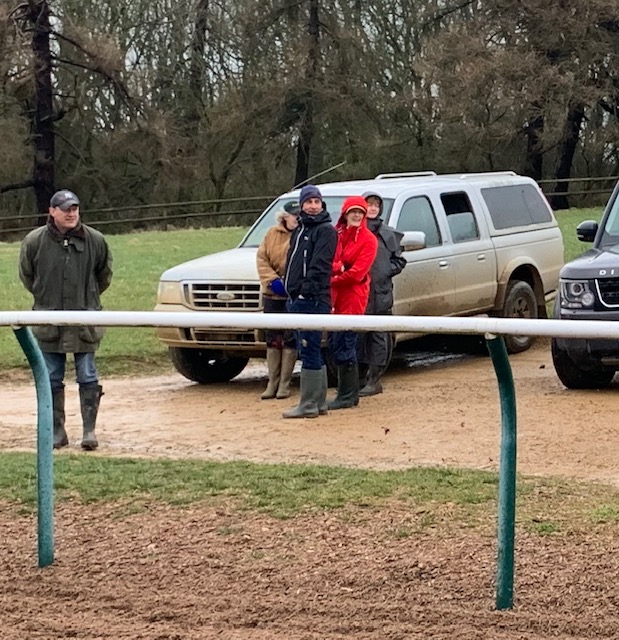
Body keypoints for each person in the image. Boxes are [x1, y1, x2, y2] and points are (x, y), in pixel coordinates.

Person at [19, 189, 113, 450]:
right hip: (49, 325)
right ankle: (56, 432)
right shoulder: (34, 241)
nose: (71, 213)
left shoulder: (96, 240)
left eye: (75, 208)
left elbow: (103, 276)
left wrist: (86, 300)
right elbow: (28, 276)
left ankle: (89, 432)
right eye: (65, 209)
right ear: (52, 211)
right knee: (50, 377)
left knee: (88, 375)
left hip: (85, 323)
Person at [282, 184, 337, 419]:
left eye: (316, 202)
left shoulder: (325, 231)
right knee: (310, 349)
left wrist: (305, 292)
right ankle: (318, 402)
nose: (313, 206)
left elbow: (320, 266)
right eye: (309, 202)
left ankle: (309, 404)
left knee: (309, 349)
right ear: (302, 204)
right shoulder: (300, 229)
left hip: (312, 299)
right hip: (296, 298)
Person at [327, 195, 378, 410]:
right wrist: (339, 268)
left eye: (360, 212)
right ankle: (348, 392)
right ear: (345, 213)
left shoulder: (369, 240)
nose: (356, 215)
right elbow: (330, 262)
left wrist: (334, 277)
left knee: (346, 342)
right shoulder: (336, 235)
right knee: (334, 343)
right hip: (335, 298)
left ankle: (347, 394)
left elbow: (357, 274)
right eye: (353, 211)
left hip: (353, 298)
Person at [357, 191, 407, 396]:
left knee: (379, 336)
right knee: (359, 335)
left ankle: (374, 379)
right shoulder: (353, 232)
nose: (373, 208)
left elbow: (399, 261)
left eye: (376, 205)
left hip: (381, 294)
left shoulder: (388, 234)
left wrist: (385, 271)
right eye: (369, 204)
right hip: (359, 293)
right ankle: (358, 377)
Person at [256, 202, 299, 400]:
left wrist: (292, 284)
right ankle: (271, 382)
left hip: (293, 294)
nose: (296, 218)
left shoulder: (303, 234)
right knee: (273, 338)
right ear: (285, 216)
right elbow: (262, 258)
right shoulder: (271, 234)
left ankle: (284, 384)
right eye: (293, 215)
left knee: (290, 338)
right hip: (272, 294)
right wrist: (272, 281)